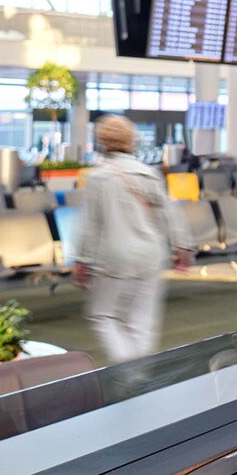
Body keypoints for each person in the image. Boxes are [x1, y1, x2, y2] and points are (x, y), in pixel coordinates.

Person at [72, 114, 192, 363]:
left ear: (101, 141)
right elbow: (171, 212)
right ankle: (139, 372)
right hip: (151, 254)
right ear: (131, 141)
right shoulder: (148, 173)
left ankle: (128, 370)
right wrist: (182, 246)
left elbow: (91, 225)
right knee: (141, 321)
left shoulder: (99, 178)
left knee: (102, 315)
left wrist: (82, 260)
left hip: (115, 257)